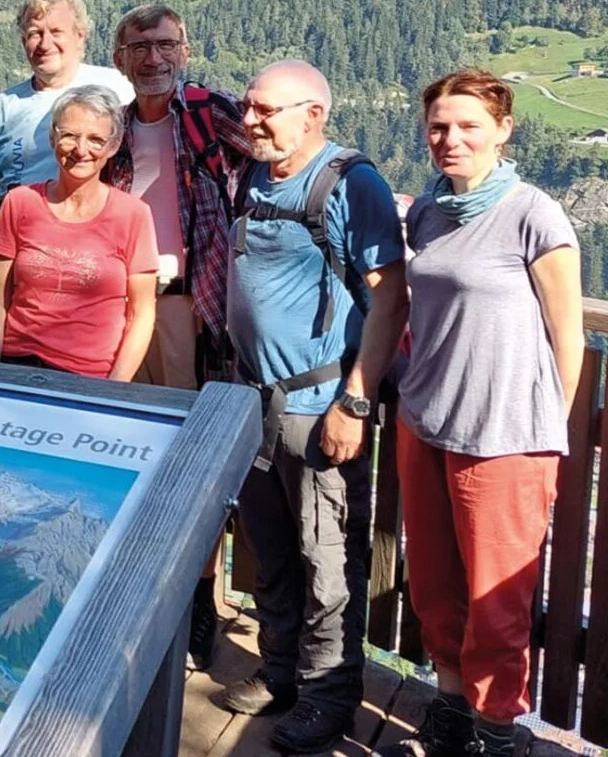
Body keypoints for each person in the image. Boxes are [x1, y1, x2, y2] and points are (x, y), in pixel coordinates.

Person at [378, 70, 583, 757]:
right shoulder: (427, 214)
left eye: (468, 125)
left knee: (497, 598)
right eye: (438, 126)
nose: (450, 139)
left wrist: (548, 426)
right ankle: (449, 705)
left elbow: (568, 333)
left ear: (503, 129)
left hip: (504, 437)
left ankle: (498, 731)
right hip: (425, 420)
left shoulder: (533, 214)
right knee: (435, 582)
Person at [212, 60, 407, 754]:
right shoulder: (256, 176)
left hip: (319, 403)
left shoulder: (351, 183)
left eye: (267, 110)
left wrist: (354, 403)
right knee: (270, 551)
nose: (252, 119)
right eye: (249, 106)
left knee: (328, 560)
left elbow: (390, 297)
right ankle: (281, 671)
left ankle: (328, 697)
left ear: (313, 114)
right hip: (253, 400)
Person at [103, 2, 252, 670]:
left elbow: (274, 172)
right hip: (120, 303)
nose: (153, 58)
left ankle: (197, 609)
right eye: (139, 47)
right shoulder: (113, 127)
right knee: (130, 449)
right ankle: (132, 596)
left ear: (184, 49)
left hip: (189, 307)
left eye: (165, 44)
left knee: (189, 463)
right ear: (120, 58)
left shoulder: (213, 113)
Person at [0, 86, 159, 381]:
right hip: (18, 365)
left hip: (90, 377)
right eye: (70, 136)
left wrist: (114, 388)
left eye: (96, 139)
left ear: (114, 146)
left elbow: (141, 314)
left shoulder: (133, 215)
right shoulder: (20, 202)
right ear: (52, 138)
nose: (81, 149)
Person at [0, 0, 136, 244]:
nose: (45, 44)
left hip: (94, 243)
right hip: (18, 243)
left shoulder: (118, 89)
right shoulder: (4, 106)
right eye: (35, 33)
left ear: (80, 36)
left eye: (56, 32)